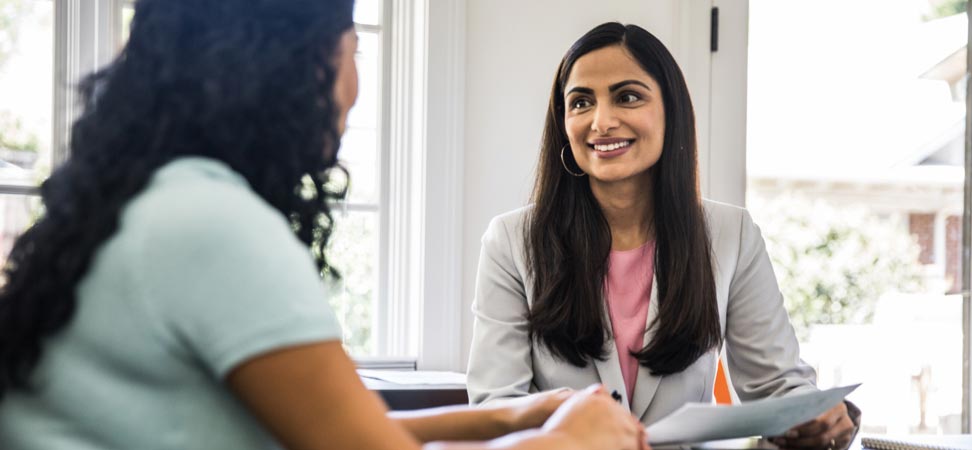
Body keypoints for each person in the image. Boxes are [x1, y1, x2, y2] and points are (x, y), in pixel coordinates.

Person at [0, 2, 648, 449]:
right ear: (294, 64)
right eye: (353, 52)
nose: (356, 83)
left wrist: (516, 415)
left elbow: (336, 429)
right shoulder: (214, 225)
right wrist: (560, 441)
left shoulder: (158, 198)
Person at [465, 22, 861, 450]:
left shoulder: (732, 235)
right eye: (581, 102)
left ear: (670, 111)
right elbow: (494, 410)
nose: (601, 121)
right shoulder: (511, 241)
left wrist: (815, 415)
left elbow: (777, 387)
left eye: (627, 96)